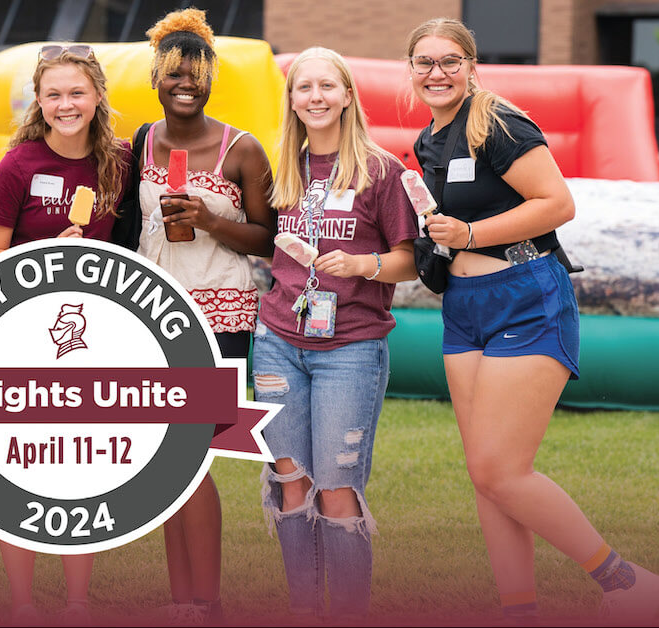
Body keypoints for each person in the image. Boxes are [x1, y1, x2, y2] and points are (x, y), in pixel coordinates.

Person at [406, 18, 659, 623]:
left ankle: (626, 581)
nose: (436, 73)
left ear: (471, 65)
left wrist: (469, 233)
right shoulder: (428, 141)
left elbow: (558, 204)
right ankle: (518, 607)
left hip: (524, 293)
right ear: (410, 69)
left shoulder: (496, 120)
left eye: (449, 61)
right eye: (423, 62)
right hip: (463, 307)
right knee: (485, 475)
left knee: (502, 468)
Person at [253, 47, 418, 621]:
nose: (315, 97)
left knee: (337, 488)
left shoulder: (382, 171)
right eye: (304, 88)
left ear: (348, 94)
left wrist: (362, 266)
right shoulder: (283, 167)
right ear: (291, 99)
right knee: (290, 484)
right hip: (277, 341)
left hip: (350, 346)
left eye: (327, 86)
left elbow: (411, 261)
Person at [0, 44, 132, 625]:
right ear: (38, 103)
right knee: (16, 464)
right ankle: (21, 603)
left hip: (95, 334)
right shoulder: (18, 165)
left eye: (76, 93)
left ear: (96, 97)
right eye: (54, 95)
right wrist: (46, 252)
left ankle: (76, 603)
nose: (66, 105)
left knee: (78, 466)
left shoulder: (120, 160)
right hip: (20, 331)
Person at [134, 9, 274, 625]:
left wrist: (211, 220)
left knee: (191, 454)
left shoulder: (241, 149)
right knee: (166, 457)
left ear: (211, 79)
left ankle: (205, 599)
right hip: (151, 313)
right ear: (156, 80)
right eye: (173, 74)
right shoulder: (140, 142)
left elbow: (269, 239)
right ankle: (180, 597)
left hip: (219, 314)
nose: (185, 83)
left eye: (196, 74)